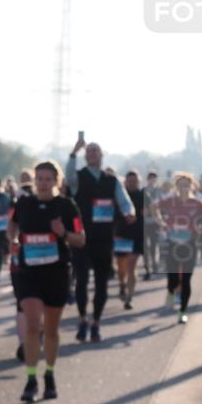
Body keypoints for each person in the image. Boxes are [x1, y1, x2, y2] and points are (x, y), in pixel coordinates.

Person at [8, 160, 86, 402]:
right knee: (33, 325)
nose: (42, 183)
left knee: (51, 330)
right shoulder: (24, 202)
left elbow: (80, 239)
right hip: (28, 272)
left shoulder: (66, 206)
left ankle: (49, 375)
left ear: (56, 181)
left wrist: (63, 233)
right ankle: (31, 379)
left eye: (47, 179)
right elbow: (11, 224)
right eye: (39, 178)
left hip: (56, 272)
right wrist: (13, 240)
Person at [65, 136, 136, 342]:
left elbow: (124, 201)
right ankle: (82, 319)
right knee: (81, 282)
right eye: (89, 151)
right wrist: (73, 153)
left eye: (96, 151)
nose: (92, 154)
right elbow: (68, 177)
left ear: (102, 156)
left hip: (104, 238)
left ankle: (96, 321)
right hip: (81, 238)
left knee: (102, 283)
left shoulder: (111, 180)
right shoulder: (78, 177)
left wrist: (129, 211)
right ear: (85, 156)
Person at [155, 172, 202, 324]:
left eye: (186, 185)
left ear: (191, 186)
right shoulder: (170, 201)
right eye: (181, 185)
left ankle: (182, 311)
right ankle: (170, 291)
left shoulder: (196, 202)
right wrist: (161, 222)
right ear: (177, 187)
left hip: (189, 243)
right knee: (173, 277)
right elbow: (154, 207)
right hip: (173, 242)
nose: (184, 188)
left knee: (186, 279)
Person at [114, 171, 145, 309]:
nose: (132, 183)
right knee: (122, 268)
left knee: (131, 266)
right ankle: (122, 284)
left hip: (137, 236)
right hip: (121, 235)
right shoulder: (120, 196)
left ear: (139, 181)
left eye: (135, 181)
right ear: (125, 182)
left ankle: (129, 298)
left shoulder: (144, 196)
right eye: (129, 180)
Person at [143, 171, 162, 279]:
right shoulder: (144, 191)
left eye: (154, 178)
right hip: (145, 222)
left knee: (154, 245)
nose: (152, 180)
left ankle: (155, 265)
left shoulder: (159, 191)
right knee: (145, 246)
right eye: (150, 178)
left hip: (155, 222)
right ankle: (147, 268)